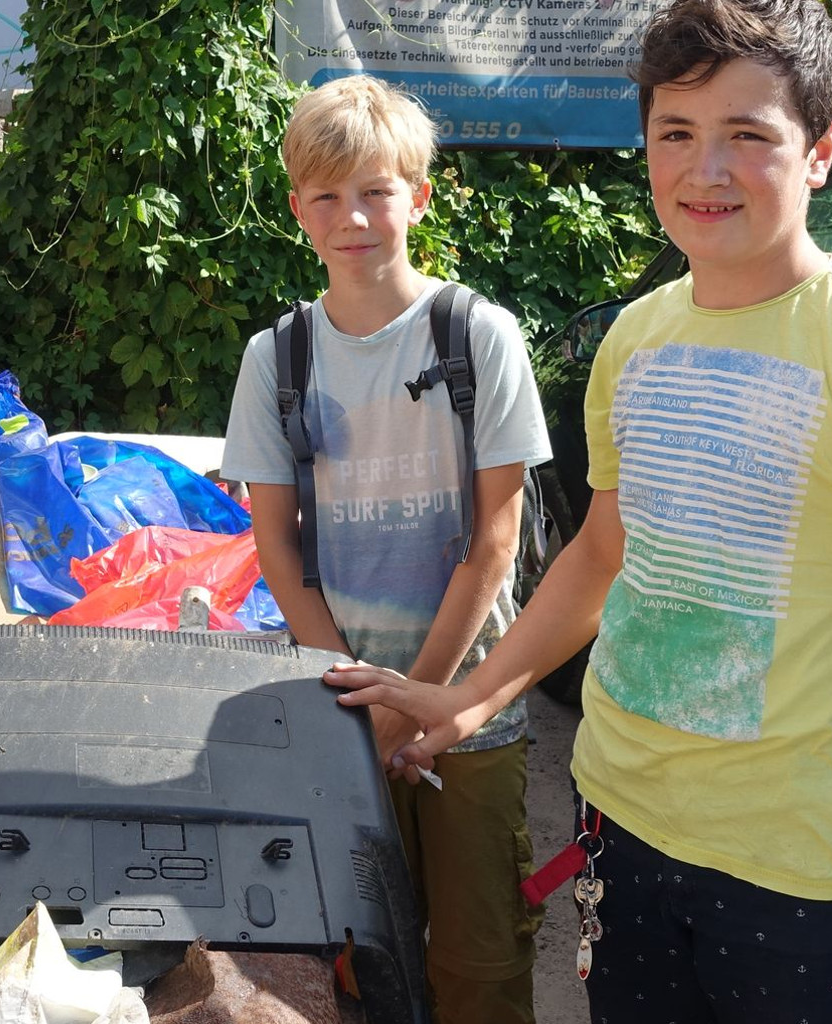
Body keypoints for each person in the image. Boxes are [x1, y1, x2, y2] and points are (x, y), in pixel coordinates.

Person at [327, 1, 832, 1019]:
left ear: (820, 150)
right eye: (676, 133)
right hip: (620, 818)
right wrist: (469, 699)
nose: (706, 170)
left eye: (748, 134)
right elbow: (602, 551)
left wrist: (810, 691)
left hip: (799, 866)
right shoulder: (634, 338)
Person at [220, 75, 554, 1023]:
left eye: (375, 190)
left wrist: (416, 705)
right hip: (341, 714)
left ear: (420, 196)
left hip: (469, 713)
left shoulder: (477, 336)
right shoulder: (275, 358)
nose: (353, 217)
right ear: (298, 210)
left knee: (482, 963)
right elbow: (279, 550)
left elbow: (494, 541)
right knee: (364, 958)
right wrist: (360, 705)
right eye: (327, 196)